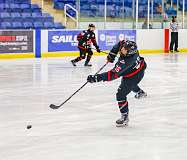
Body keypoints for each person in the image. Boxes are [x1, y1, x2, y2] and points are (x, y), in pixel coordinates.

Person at [87, 40, 147, 127]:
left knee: (121, 94)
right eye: (123, 48)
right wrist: (112, 54)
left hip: (135, 74)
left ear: (129, 52)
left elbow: (112, 75)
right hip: (137, 67)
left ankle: (125, 117)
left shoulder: (126, 62)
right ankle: (140, 92)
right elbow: (119, 43)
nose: (122, 49)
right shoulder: (129, 48)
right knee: (128, 85)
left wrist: (96, 78)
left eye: (124, 49)